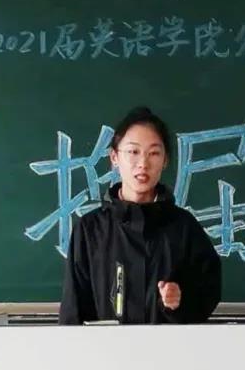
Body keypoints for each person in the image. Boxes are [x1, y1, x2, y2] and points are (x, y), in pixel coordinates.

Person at [58, 106, 222, 324]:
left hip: (170, 345)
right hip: (106, 346)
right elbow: (73, 310)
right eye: (133, 152)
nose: (143, 163)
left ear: (165, 160)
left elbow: (207, 292)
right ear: (114, 157)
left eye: (154, 153)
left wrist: (179, 301)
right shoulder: (90, 229)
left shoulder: (184, 227)